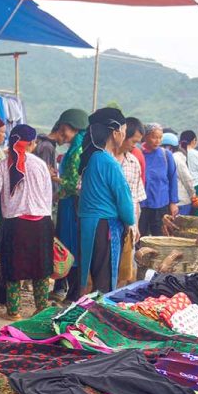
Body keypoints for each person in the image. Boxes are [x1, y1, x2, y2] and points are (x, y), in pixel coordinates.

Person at [0, 124, 53, 320]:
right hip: (41, 222)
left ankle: (13, 311)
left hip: (14, 224)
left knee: (12, 268)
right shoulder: (40, 165)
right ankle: (41, 308)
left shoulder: (2, 166)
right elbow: (48, 196)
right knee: (41, 269)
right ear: (31, 143)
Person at [77, 107, 134, 293]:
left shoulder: (93, 158)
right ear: (115, 132)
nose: (124, 137)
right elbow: (123, 197)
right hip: (105, 225)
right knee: (104, 277)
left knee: (89, 272)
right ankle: (99, 315)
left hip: (89, 222)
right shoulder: (108, 161)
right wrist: (130, 222)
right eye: (124, 132)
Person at [50, 109, 90, 303]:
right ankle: (67, 289)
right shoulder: (76, 148)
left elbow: (74, 184)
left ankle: (72, 292)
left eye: (64, 129)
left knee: (70, 246)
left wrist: (54, 178)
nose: (62, 132)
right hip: (68, 202)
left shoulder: (77, 152)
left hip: (72, 206)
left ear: (74, 128)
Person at [113, 117, 146, 286]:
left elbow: (136, 199)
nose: (135, 146)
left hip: (128, 226)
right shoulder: (103, 160)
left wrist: (136, 226)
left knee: (123, 272)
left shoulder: (133, 162)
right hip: (107, 224)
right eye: (133, 141)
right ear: (122, 135)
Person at [139, 123, 178, 236]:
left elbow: (172, 179)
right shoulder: (138, 153)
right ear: (145, 137)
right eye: (154, 137)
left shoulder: (166, 155)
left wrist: (173, 202)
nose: (157, 141)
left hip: (160, 203)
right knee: (140, 237)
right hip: (142, 204)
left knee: (160, 235)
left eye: (160, 137)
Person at [162, 132, 195, 216]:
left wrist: (193, 195)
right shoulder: (169, 157)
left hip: (180, 202)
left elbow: (187, 179)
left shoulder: (176, 158)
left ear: (169, 147)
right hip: (175, 201)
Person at [179, 130, 198, 203]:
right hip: (195, 187)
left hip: (181, 189)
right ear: (194, 140)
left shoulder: (177, 154)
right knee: (196, 212)